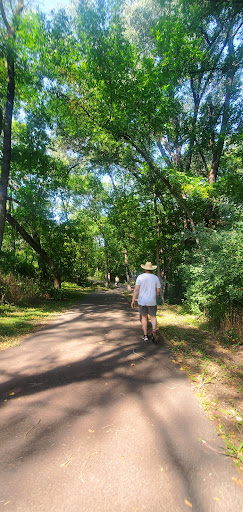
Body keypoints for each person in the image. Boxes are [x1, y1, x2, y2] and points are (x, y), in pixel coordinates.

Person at [131, 261, 161, 342]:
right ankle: (154, 330)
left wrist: (133, 300)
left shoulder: (140, 277)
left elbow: (136, 289)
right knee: (153, 316)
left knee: (144, 317)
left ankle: (145, 335)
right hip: (152, 301)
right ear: (152, 269)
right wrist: (155, 298)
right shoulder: (155, 278)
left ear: (144, 268)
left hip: (142, 301)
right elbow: (158, 291)